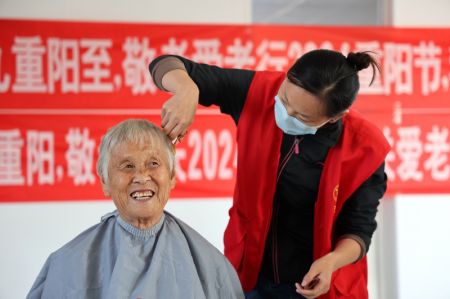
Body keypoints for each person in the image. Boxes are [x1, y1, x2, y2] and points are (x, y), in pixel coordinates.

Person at [148, 49, 390, 299]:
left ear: (335, 117)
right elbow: (164, 64)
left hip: (318, 281)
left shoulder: (364, 147)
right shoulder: (258, 91)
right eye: (284, 98)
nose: (286, 114)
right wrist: (188, 90)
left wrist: (333, 261)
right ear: (287, 76)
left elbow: (359, 229)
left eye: (302, 117)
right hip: (250, 273)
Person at [26, 119, 244, 299]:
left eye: (153, 164)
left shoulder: (210, 265)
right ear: (105, 181)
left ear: (172, 176)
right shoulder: (66, 265)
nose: (141, 176)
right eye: (127, 166)